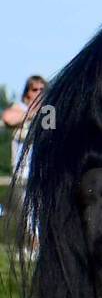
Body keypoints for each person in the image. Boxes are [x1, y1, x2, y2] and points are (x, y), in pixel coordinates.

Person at [2, 75, 47, 248]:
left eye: (43, 91)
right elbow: (8, 118)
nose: (39, 94)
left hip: (44, 174)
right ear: (26, 94)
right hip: (22, 174)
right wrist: (32, 114)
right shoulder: (19, 107)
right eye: (35, 90)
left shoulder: (48, 112)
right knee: (29, 221)